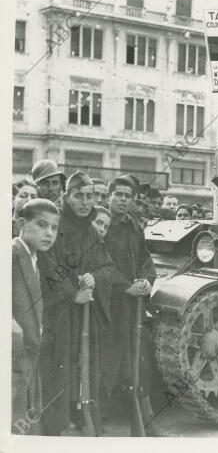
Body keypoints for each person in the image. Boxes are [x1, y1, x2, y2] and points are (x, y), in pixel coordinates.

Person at [38, 171, 115, 436]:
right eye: (78, 196)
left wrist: (95, 278)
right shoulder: (55, 227)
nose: (85, 202)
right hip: (59, 313)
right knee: (60, 367)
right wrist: (72, 294)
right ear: (66, 197)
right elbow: (46, 265)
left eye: (90, 197)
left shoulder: (93, 231)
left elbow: (107, 266)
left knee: (86, 366)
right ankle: (57, 427)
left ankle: (84, 418)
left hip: (87, 313)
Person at [99, 175, 158, 435]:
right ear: (108, 197)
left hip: (132, 309)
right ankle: (100, 422)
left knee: (139, 364)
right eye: (119, 195)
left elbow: (146, 260)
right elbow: (99, 264)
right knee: (108, 362)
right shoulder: (100, 226)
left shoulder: (135, 226)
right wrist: (125, 286)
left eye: (128, 196)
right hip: (107, 307)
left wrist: (146, 280)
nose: (123, 200)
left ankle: (144, 422)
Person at [12, 199, 60, 434]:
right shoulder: (11, 254)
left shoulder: (33, 258)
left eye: (54, 227)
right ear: (22, 223)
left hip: (26, 358)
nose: (49, 233)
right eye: (42, 225)